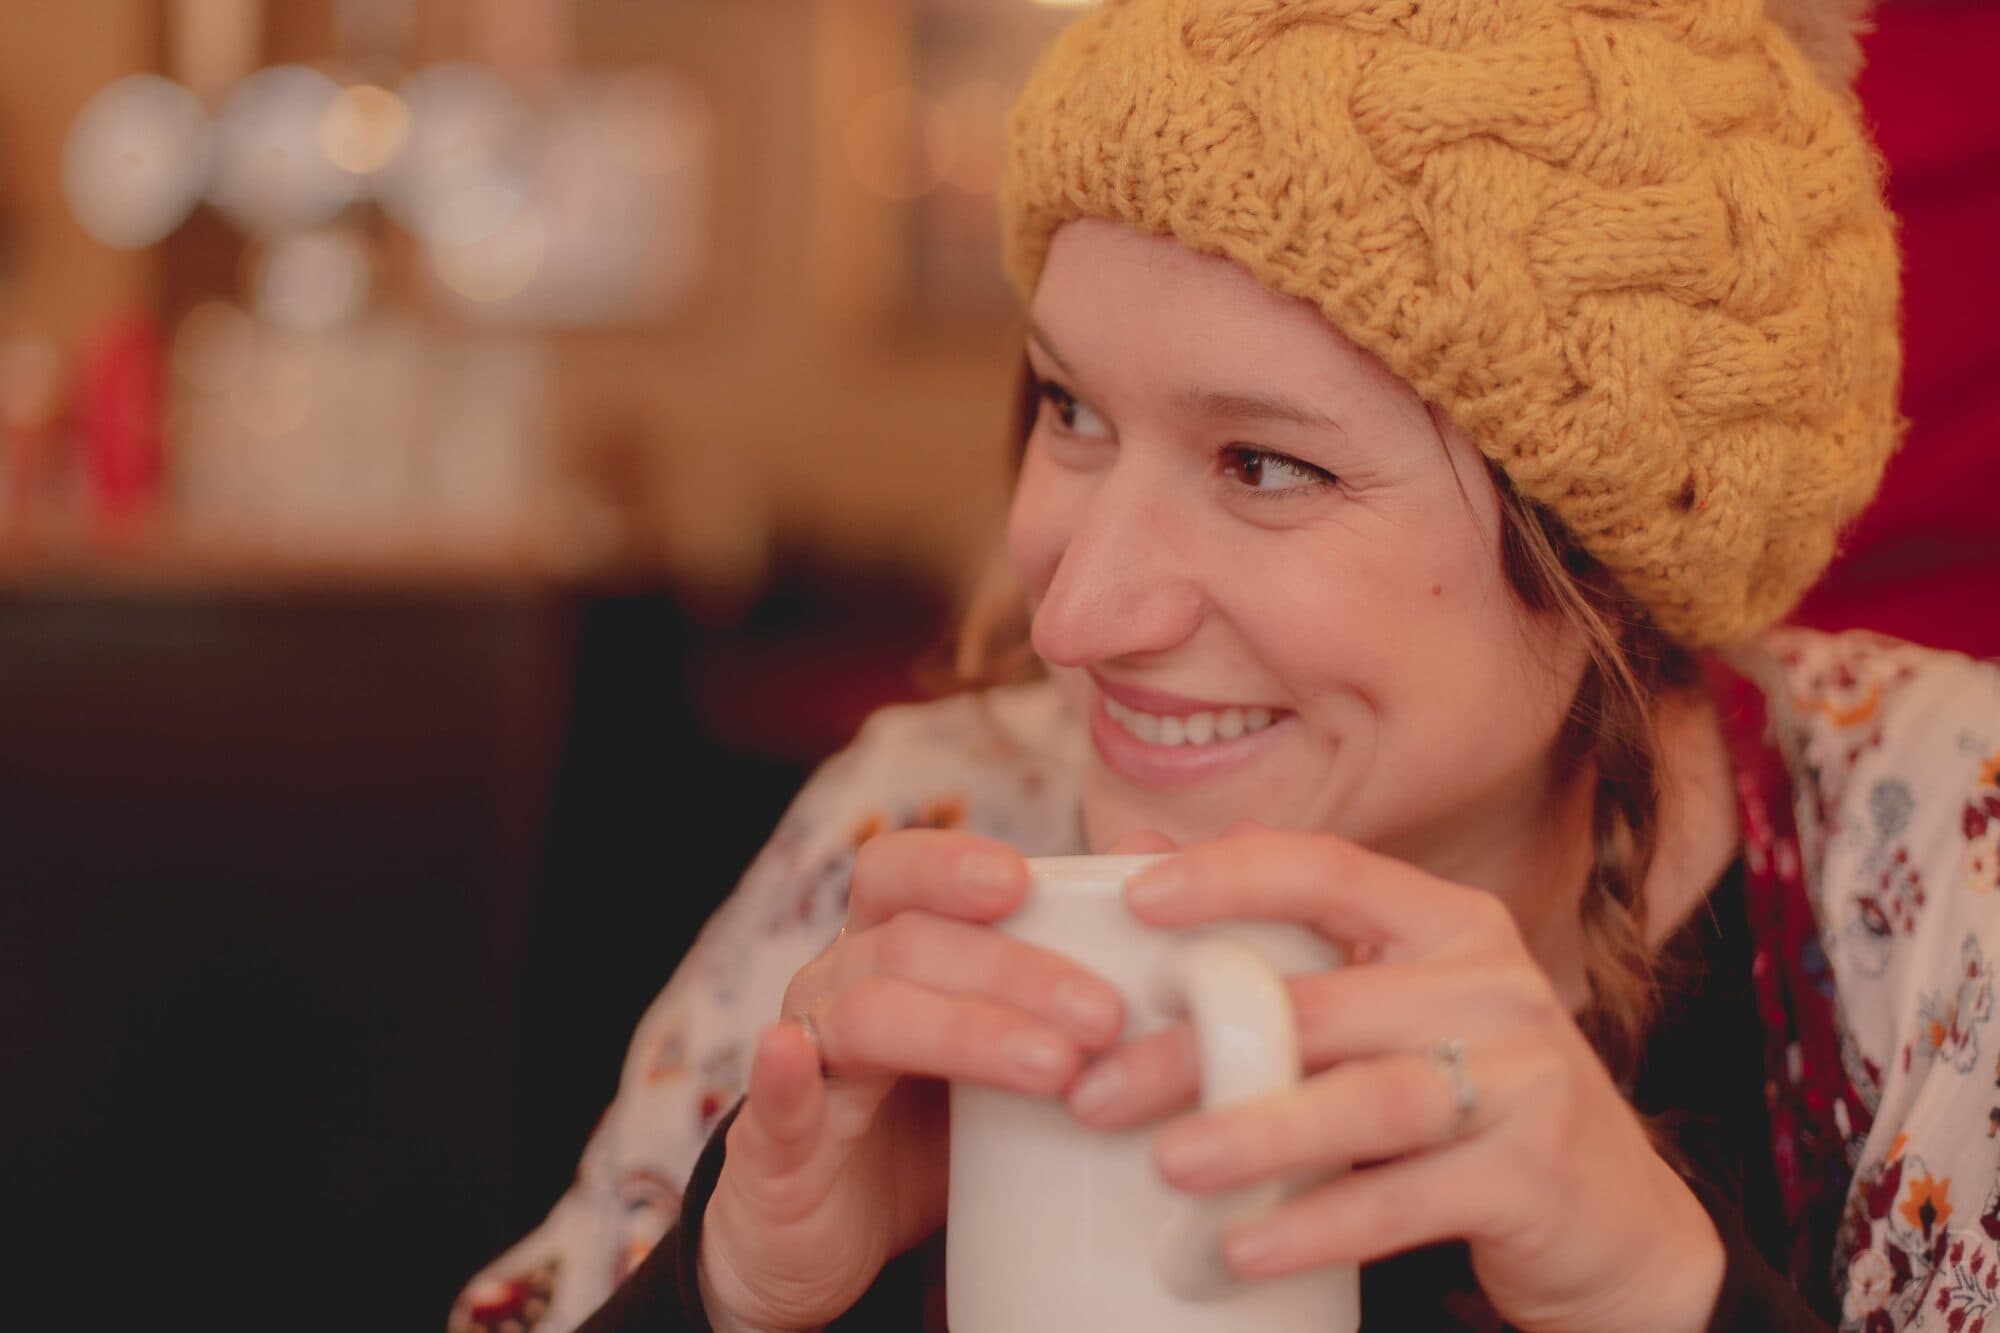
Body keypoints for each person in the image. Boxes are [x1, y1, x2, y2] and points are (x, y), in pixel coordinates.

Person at [453, 0, 2000, 1328]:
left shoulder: (1949, 864)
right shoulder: (921, 819)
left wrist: (1672, 1292)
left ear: (1611, 552)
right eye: (1071, 409)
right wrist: (729, 1288)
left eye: (1265, 464)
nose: (1072, 620)